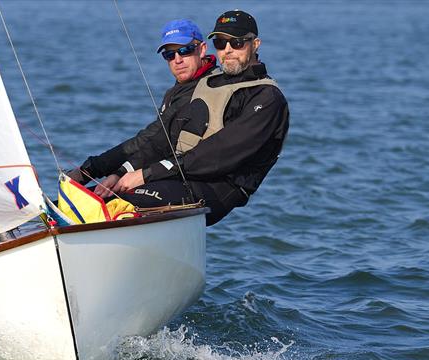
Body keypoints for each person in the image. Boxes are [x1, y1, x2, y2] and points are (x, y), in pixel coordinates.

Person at [73, 10, 289, 226]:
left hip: (218, 188)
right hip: (180, 176)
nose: (228, 50)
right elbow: (161, 140)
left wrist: (147, 174)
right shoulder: (206, 84)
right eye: (221, 43)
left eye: (238, 43)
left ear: (256, 44)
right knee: (85, 203)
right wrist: (120, 173)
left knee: (120, 206)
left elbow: (220, 151)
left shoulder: (268, 97)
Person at [67, 18, 216, 197]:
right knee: (89, 197)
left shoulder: (207, 88)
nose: (177, 60)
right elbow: (150, 138)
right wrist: (92, 170)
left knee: (113, 201)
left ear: (202, 49)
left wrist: (118, 173)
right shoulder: (178, 90)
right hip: (169, 170)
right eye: (169, 55)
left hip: (201, 183)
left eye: (185, 50)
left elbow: (160, 142)